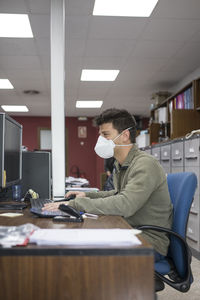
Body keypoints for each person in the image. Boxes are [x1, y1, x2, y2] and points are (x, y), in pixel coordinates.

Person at [43, 108, 173, 259]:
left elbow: (126, 204)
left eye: (105, 135)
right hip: (128, 229)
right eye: (100, 135)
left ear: (125, 135)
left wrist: (77, 204)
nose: (101, 140)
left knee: (86, 252)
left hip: (148, 240)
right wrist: (86, 194)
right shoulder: (121, 163)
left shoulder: (145, 164)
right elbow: (118, 193)